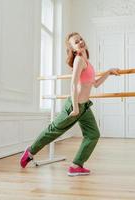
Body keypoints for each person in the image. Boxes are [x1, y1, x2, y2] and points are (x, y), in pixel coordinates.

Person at [20, 32, 120, 176]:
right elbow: (73, 85)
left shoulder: (87, 62)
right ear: (72, 48)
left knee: (93, 134)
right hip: (74, 105)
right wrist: (74, 106)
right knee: (53, 131)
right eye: (76, 42)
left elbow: (96, 84)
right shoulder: (78, 59)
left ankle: (76, 165)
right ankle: (30, 151)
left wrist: (109, 72)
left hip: (84, 106)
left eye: (80, 39)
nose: (80, 42)